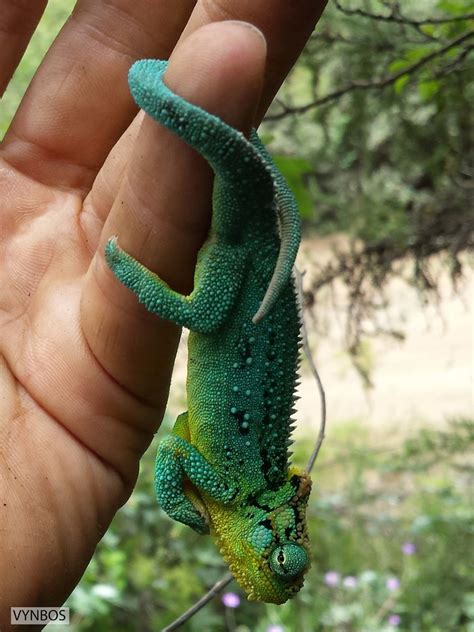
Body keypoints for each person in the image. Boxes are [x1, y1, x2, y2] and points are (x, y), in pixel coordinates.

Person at [0, 0, 327, 621]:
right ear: (268, 526)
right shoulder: (233, 484)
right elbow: (175, 453)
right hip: (247, 274)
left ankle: (227, 139)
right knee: (203, 307)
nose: (269, 564)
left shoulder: (240, 485)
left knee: (209, 126)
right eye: (281, 559)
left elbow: (181, 432)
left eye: (278, 562)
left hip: (254, 272)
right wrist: (131, 278)